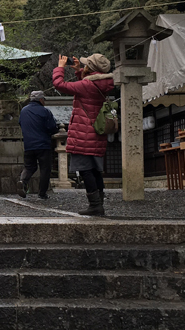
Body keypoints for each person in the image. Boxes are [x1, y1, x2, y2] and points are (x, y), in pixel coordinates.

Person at [51, 51, 115, 216]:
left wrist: (60, 68)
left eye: (87, 65)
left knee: (86, 169)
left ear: (91, 68)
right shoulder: (103, 83)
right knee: (95, 170)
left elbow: (60, 85)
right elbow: (87, 89)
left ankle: (95, 205)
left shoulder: (87, 86)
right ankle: (99, 204)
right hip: (96, 133)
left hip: (82, 133)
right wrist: (79, 72)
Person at [18, 89, 59, 200]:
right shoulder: (45, 111)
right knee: (45, 169)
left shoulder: (23, 111)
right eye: (43, 100)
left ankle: (23, 181)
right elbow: (52, 127)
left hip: (28, 145)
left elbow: (21, 123)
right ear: (41, 100)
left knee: (29, 167)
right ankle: (42, 193)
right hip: (43, 145)